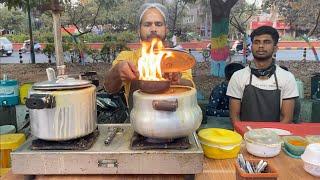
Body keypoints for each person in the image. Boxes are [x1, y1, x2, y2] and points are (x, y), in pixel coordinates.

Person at [104, 3, 194, 109]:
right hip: (139, 120)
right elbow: (109, 87)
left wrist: (177, 81)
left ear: (166, 29)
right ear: (139, 30)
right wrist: (118, 70)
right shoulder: (127, 57)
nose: (153, 29)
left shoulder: (178, 58)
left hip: (175, 120)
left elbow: (191, 86)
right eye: (147, 24)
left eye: (158, 24)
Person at [227, 26, 299, 123]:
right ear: (251, 47)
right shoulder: (238, 77)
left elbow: (286, 118)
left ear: (275, 48)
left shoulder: (287, 78)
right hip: (245, 135)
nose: (261, 46)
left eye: (266, 42)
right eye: (256, 42)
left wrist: (270, 137)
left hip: (276, 135)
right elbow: (234, 116)